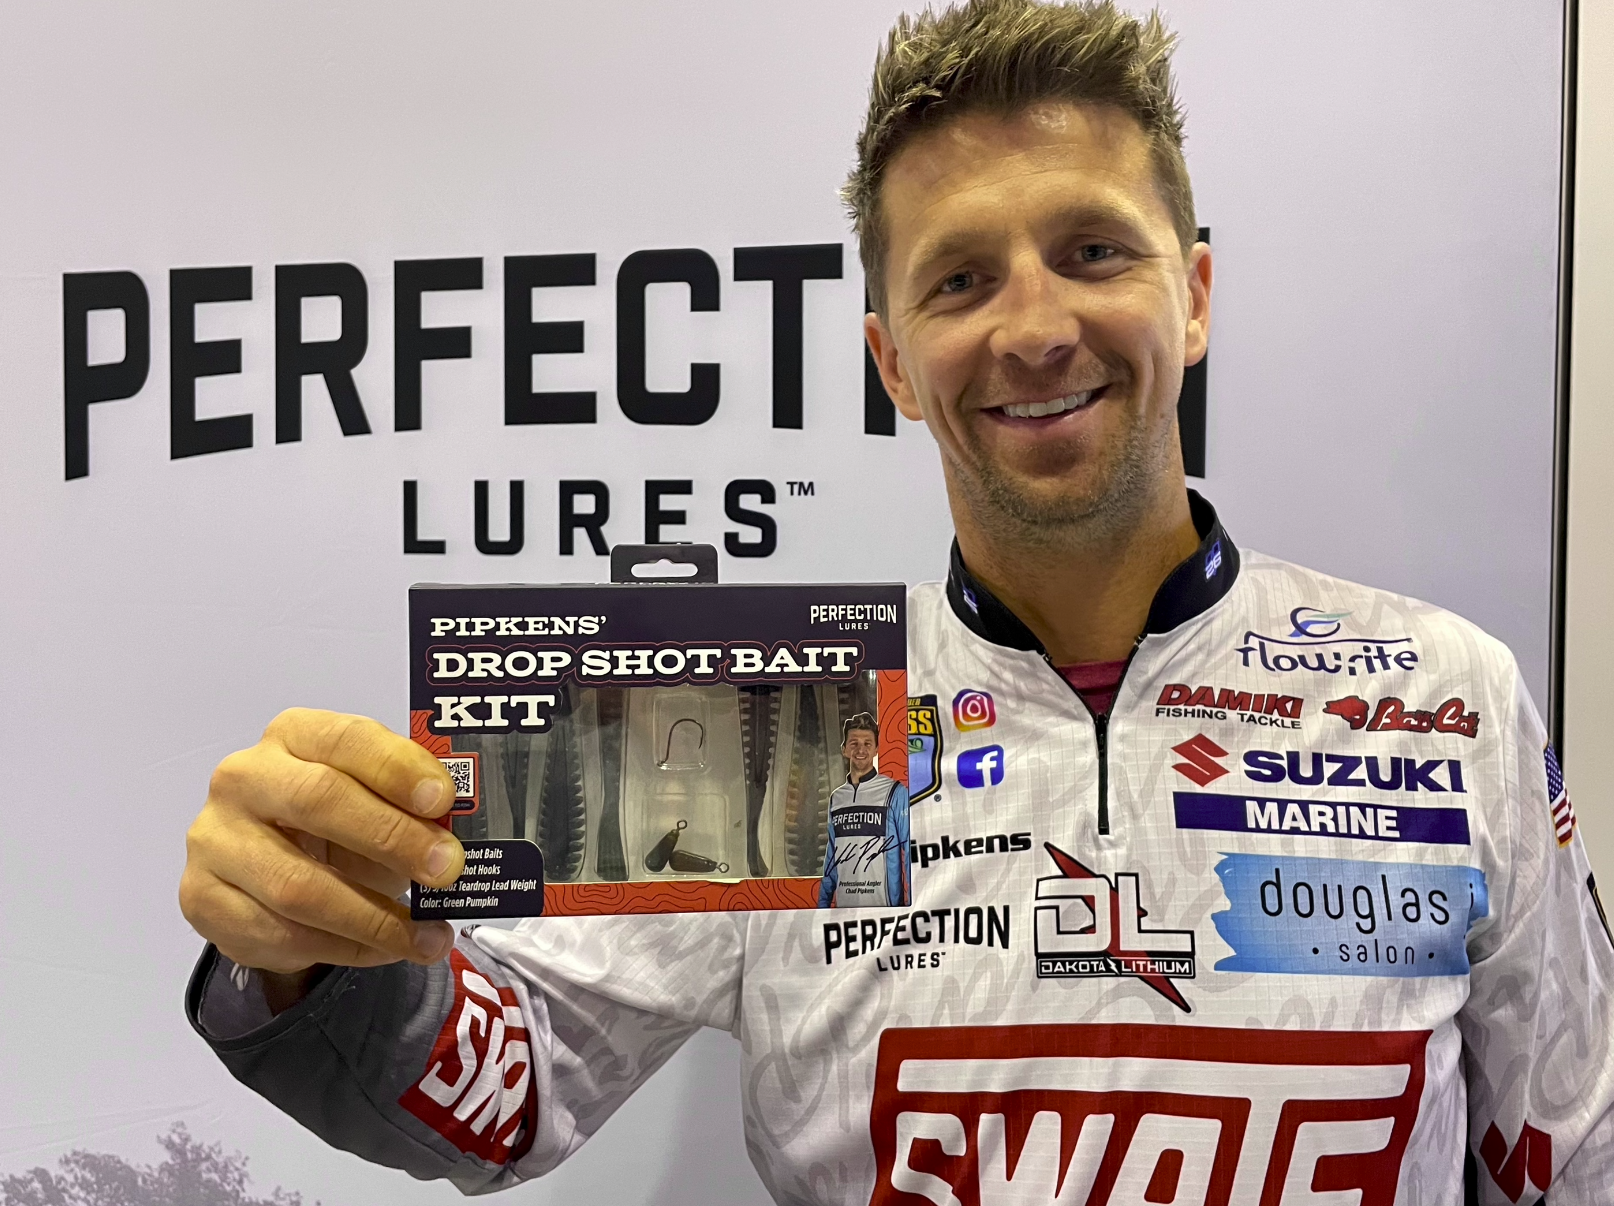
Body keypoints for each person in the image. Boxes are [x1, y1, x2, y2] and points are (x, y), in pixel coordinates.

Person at [178, 1, 1614, 1200]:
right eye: (961, 280)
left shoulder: (1444, 695)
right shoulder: (778, 713)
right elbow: (502, 1095)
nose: (1034, 327)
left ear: (1192, 297)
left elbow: (1574, 1148)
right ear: (892, 363)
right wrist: (309, 948)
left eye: (1093, 250)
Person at [817, 713, 912, 908]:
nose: (861, 749)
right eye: (854, 743)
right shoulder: (836, 798)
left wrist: (912, 907)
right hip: (845, 913)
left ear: (876, 749)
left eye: (867, 743)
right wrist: (821, 908)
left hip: (885, 912)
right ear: (844, 749)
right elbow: (831, 858)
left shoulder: (895, 792)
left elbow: (911, 854)